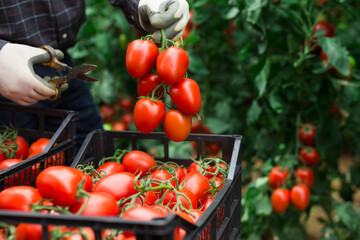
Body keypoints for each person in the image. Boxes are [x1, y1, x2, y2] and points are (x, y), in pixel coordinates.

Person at [0, 0, 190, 147]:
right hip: (9, 72)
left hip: (59, 61)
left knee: (91, 147)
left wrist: (143, 3)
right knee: (17, 166)